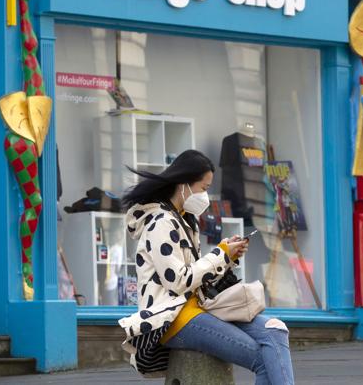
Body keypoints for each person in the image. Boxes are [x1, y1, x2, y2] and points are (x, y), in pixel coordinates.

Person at [118, 149, 295, 384]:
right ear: (183, 185)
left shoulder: (185, 221)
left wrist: (227, 257)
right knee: (262, 357)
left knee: (275, 330)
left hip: (202, 308)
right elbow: (179, 281)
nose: (206, 195)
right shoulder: (161, 223)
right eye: (204, 188)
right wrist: (221, 254)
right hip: (175, 318)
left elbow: (199, 277)